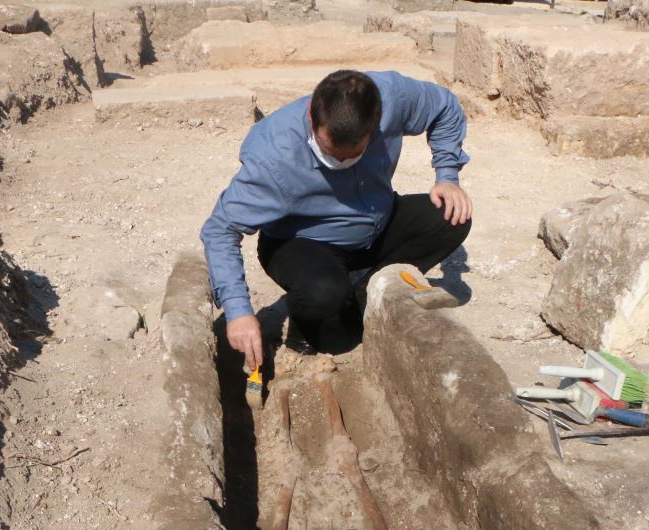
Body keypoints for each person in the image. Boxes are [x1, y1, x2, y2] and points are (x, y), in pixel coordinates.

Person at [200, 69, 473, 370]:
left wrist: (447, 175)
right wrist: (238, 312)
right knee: (338, 331)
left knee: (452, 217)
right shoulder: (274, 156)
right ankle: (313, 314)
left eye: (352, 155)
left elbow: (445, 106)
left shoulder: (391, 97)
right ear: (312, 116)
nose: (340, 164)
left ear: (375, 125)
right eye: (330, 154)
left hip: (376, 220)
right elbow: (221, 229)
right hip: (303, 241)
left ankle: (364, 292)